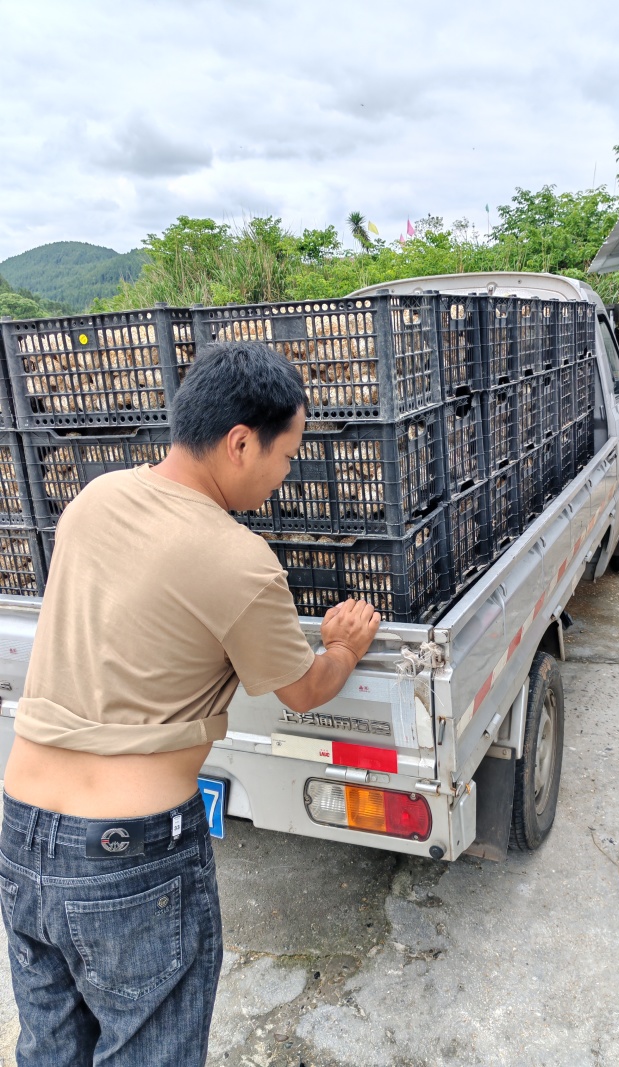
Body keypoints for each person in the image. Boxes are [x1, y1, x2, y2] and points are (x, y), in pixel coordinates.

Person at [0, 341, 380, 1066]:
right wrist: (344, 647)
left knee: (50, 1051)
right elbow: (303, 691)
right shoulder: (237, 560)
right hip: (127, 855)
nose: (287, 472)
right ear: (240, 442)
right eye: (287, 453)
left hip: (21, 828)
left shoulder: (95, 496)